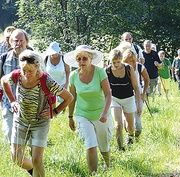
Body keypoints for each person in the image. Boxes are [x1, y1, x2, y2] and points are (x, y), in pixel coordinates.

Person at [1, 49, 73, 177]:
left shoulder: (46, 80)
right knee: (16, 158)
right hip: (21, 121)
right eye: (24, 70)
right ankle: (34, 172)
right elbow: (4, 81)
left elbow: (69, 97)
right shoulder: (17, 75)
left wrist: (55, 112)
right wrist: (12, 101)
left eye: (30, 71)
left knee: (37, 160)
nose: (27, 74)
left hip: (40, 123)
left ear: (37, 67)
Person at [66, 45, 112, 174]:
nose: (81, 61)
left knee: (104, 146)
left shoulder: (99, 72)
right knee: (91, 145)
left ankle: (107, 164)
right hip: (83, 114)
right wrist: (70, 117)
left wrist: (104, 112)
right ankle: (93, 174)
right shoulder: (73, 76)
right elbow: (72, 98)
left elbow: (108, 93)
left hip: (101, 114)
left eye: (84, 58)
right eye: (79, 59)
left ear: (91, 59)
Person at [106, 49, 141, 150]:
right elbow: (105, 89)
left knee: (130, 126)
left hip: (129, 98)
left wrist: (138, 104)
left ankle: (130, 138)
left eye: (118, 62)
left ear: (121, 60)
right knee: (118, 125)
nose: (116, 64)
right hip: (114, 99)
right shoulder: (107, 70)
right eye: (114, 62)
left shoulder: (128, 69)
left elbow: (136, 87)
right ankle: (120, 147)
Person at [0, 29, 29, 143]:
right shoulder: (4, 58)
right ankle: (18, 158)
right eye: (16, 41)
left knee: (28, 137)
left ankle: (26, 158)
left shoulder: (33, 58)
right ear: (11, 42)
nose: (19, 43)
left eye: (21, 40)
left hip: (29, 104)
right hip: (8, 103)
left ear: (26, 42)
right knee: (9, 133)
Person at [122, 49, 149, 139]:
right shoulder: (121, 68)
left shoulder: (140, 67)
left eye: (131, 61)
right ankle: (129, 138)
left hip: (139, 95)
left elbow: (147, 79)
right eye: (127, 61)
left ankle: (136, 137)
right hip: (126, 96)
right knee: (126, 120)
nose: (130, 63)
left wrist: (144, 93)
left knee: (137, 120)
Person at [44, 41, 70, 108]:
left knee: (63, 99)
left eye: (55, 53)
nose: (53, 55)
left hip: (62, 83)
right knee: (51, 100)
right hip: (50, 84)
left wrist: (66, 83)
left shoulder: (63, 59)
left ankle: (63, 111)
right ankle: (53, 112)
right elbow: (42, 70)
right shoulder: (46, 58)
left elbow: (68, 71)